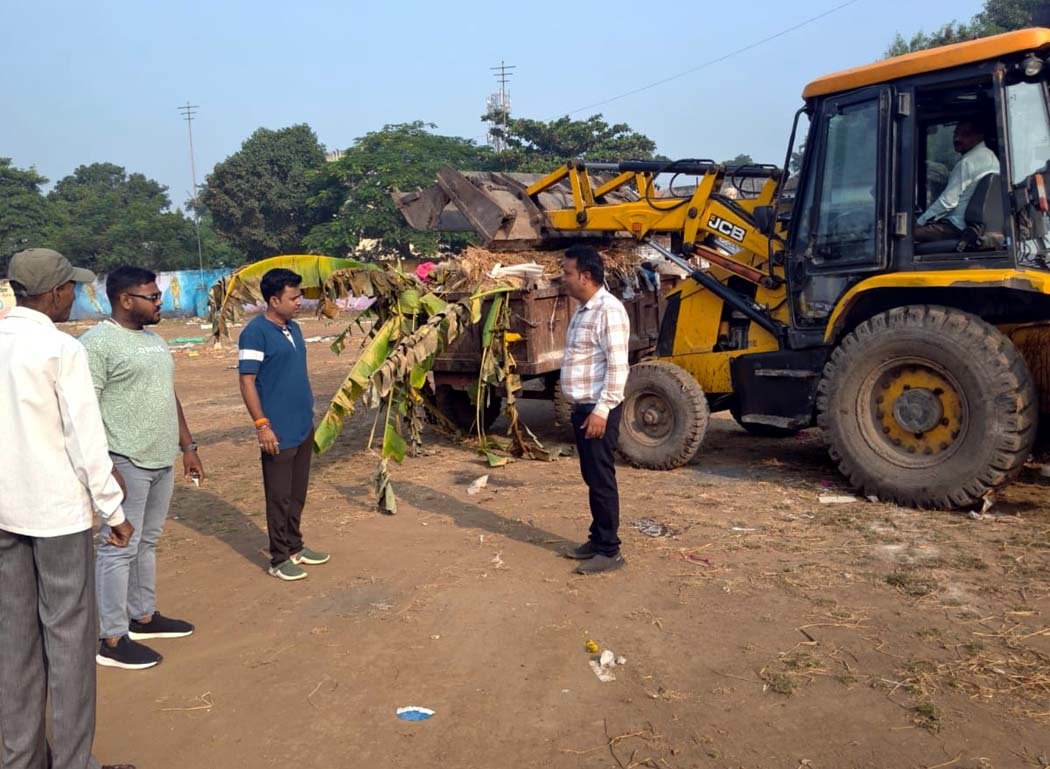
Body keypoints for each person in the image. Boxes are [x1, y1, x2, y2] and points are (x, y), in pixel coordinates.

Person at [0, 248, 136, 769]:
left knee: (14, 642)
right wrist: (114, 512)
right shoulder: (60, 348)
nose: (75, 297)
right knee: (69, 643)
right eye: (72, 289)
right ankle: (72, 761)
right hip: (55, 513)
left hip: (4, 511)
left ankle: (21, 758)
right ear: (55, 293)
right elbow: (85, 441)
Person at [81, 266, 202, 670]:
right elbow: (85, 410)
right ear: (125, 299)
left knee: (147, 541)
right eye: (152, 297)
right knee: (118, 546)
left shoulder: (155, 341)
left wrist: (188, 446)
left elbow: (168, 395)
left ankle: (143, 616)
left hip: (161, 458)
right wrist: (104, 465)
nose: (159, 302)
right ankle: (112, 638)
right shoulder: (96, 344)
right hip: (124, 461)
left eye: (158, 295)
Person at [238, 268, 328, 581]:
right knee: (279, 496)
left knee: (297, 492)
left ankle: (295, 546)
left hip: (302, 424)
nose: (299, 302)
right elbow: (247, 382)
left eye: (299, 296)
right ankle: (278, 558)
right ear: (273, 300)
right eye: (293, 298)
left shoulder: (295, 328)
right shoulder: (255, 333)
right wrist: (262, 425)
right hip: (276, 430)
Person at [558, 245, 631, 575]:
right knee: (592, 476)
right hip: (583, 408)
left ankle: (609, 551)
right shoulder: (583, 310)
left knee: (601, 479)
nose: (564, 278)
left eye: (567, 273)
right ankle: (598, 538)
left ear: (585, 276)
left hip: (598, 410)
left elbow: (618, 367)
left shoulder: (608, 311)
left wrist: (601, 411)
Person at [915, 120, 1000, 243]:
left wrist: (919, 222)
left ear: (979, 136)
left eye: (965, 134)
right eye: (955, 134)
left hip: (956, 228)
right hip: (976, 228)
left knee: (906, 236)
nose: (957, 139)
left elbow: (947, 202)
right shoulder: (991, 158)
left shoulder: (967, 162)